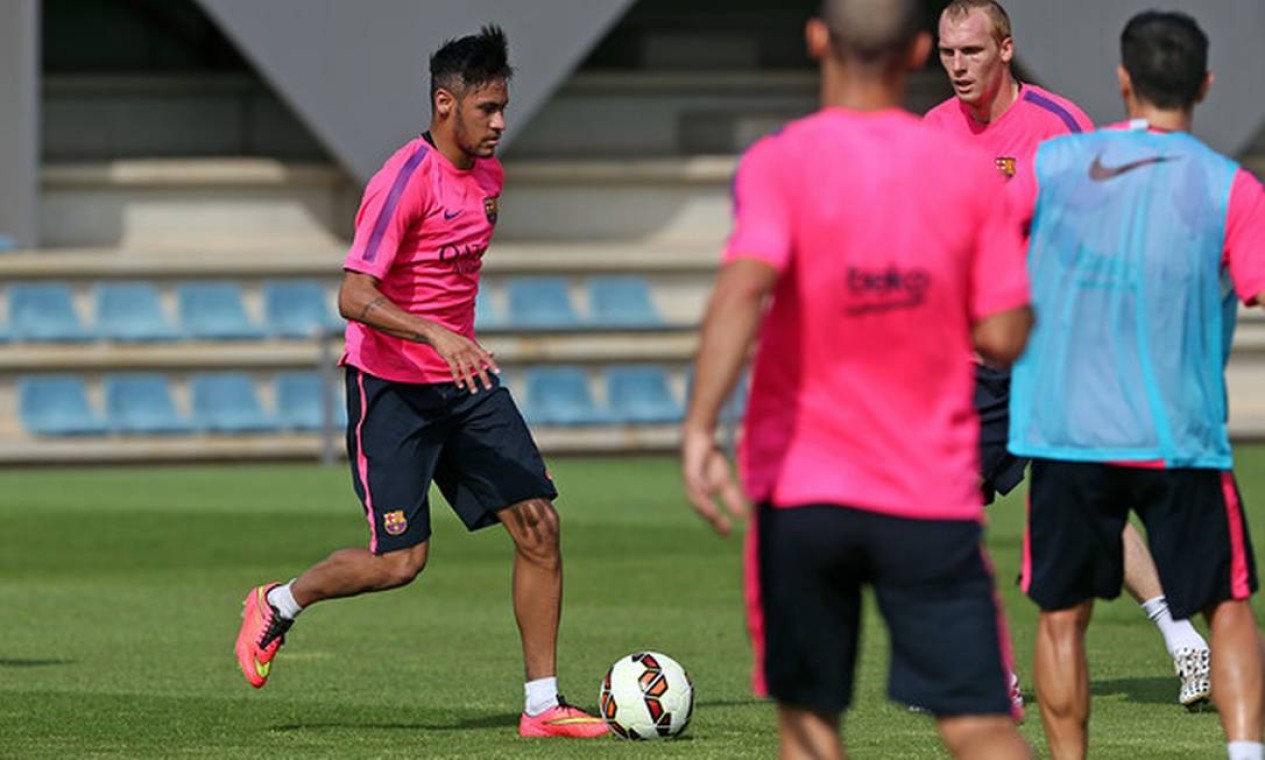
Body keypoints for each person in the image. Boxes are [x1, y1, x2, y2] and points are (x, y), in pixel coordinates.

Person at [680, 1, 1035, 757]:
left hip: (803, 490)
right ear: (915, 52)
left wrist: (698, 430)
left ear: (815, 41)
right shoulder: (966, 175)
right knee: (978, 724)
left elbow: (742, 288)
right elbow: (1003, 335)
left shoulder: (778, 161)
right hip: (928, 493)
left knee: (809, 725)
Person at [232, 25, 608, 739]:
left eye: (504, 107)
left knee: (539, 527)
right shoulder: (401, 181)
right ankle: (278, 602)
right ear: (445, 104)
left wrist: (453, 342)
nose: (500, 122)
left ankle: (541, 707)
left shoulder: (490, 177)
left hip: (464, 383)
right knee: (400, 562)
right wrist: (432, 332)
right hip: (392, 387)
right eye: (487, 108)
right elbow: (352, 294)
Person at [924, 0, 1211, 709]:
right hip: (972, 362)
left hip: (1055, 347)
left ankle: (1185, 643)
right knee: (945, 512)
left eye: (971, 51)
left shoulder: (1057, 124)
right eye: (946, 53)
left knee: (1091, 504)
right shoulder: (931, 132)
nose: (958, 66)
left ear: (1005, 49)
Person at [1007, 11, 1265, 759]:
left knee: (1062, 616)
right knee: (1226, 606)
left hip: (1064, 429)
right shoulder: (1230, 188)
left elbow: (978, 244)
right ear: (1206, 85)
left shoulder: (1053, 167)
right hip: (1176, 433)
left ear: (1122, 81)